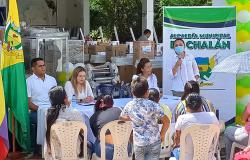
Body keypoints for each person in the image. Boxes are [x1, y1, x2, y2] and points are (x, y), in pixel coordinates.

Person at [120, 75, 169, 160]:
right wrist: (162, 134)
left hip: (139, 143)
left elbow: (121, 117)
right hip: (154, 142)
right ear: (147, 92)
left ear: (132, 92)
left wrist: (131, 118)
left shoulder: (129, 105)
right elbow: (166, 121)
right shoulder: (153, 105)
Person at [171, 93, 219, 160]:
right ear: (201, 105)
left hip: (186, 158)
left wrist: (175, 145)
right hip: (208, 157)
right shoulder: (212, 116)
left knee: (174, 150)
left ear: (186, 106)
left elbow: (177, 140)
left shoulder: (182, 118)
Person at [26, 58, 57, 155]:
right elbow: (28, 103)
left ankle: (56, 146)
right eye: (40, 66)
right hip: (37, 111)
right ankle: (41, 148)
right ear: (33, 69)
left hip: (52, 110)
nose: (43, 67)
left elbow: (57, 97)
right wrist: (42, 111)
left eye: (44, 65)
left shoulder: (52, 79)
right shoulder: (28, 81)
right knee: (42, 119)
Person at [44, 86, 84, 159]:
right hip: (75, 151)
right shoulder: (74, 113)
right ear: (65, 98)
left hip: (56, 152)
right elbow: (82, 130)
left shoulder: (48, 114)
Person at [90, 95, 132, 160]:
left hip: (106, 152)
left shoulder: (93, 117)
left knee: (94, 144)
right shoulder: (119, 110)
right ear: (112, 103)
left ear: (100, 104)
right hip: (126, 149)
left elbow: (97, 136)